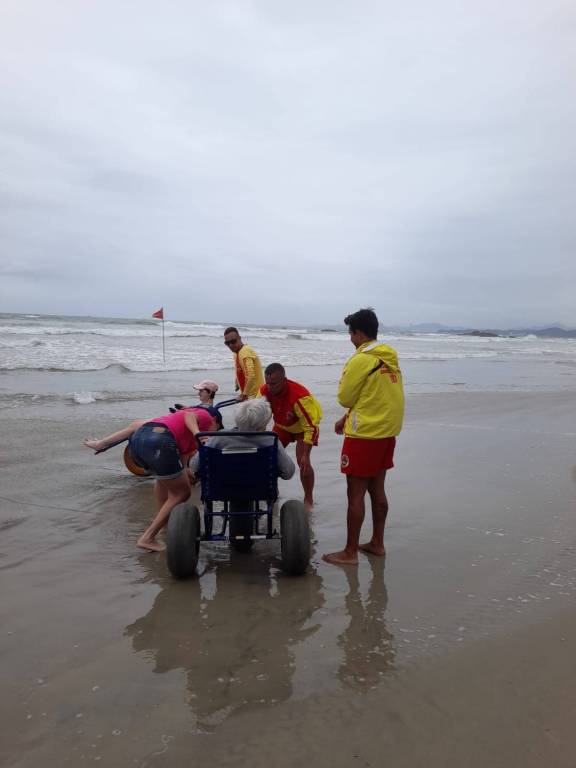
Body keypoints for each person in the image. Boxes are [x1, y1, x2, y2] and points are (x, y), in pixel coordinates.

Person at [323, 308, 405, 566]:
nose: (350, 339)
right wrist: (345, 418)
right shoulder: (389, 357)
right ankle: (377, 543)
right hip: (387, 431)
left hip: (365, 434)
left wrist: (349, 414)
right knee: (377, 488)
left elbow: (345, 397)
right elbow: (374, 396)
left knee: (355, 492)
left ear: (358, 333)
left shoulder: (360, 359)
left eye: (351, 333)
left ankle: (350, 552)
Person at [84, 406, 217, 552]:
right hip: (159, 442)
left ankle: (164, 527)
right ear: (215, 420)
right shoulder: (205, 416)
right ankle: (147, 538)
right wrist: (197, 433)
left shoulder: (174, 423)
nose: (214, 435)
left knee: (162, 480)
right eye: (216, 429)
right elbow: (189, 416)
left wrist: (101, 444)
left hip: (137, 443)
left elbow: (181, 461)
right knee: (182, 493)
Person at [260, 363, 322, 511]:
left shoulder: (300, 397)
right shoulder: (264, 391)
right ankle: (273, 492)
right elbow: (259, 416)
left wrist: (306, 455)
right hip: (282, 425)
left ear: (284, 380)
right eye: (267, 383)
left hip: (303, 428)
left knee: (303, 462)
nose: (270, 387)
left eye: (274, 383)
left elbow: (310, 427)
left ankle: (308, 499)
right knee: (267, 458)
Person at [189, 398, 295, 480]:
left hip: (221, 490)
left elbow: (194, 466)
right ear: (263, 423)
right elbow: (288, 472)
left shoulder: (218, 438)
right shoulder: (271, 441)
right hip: (261, 490)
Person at [223, 326, 264, 401]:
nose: (230, 345)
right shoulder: (236, 353)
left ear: (239, 338)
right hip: (249, 395)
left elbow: (251, 376)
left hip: (256, 396)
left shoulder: (245, 352)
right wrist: (237, 382)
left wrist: (244, 395)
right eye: (227, 343)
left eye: (233, 341)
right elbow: (240, 370)